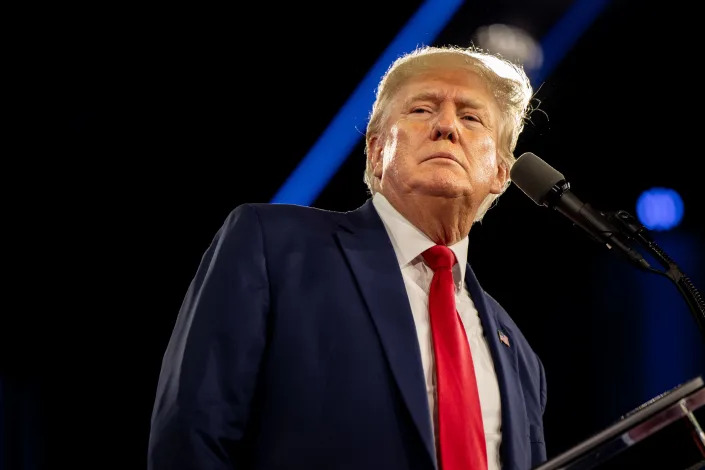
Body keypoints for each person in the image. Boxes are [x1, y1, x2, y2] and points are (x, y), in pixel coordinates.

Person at [148, 44, 547, 470]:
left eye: (471, 117)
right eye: (421, 110)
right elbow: (191, 433)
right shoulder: (274, 247)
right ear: (377, 151)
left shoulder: (520, 356)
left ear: (501, 174)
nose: (446, 126)